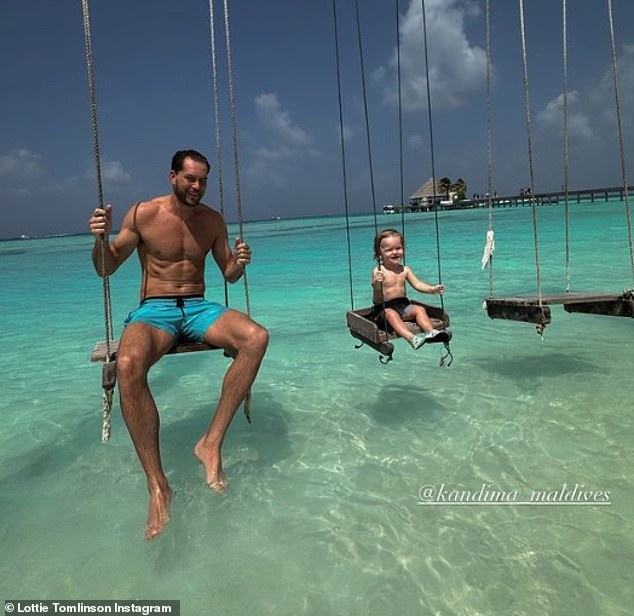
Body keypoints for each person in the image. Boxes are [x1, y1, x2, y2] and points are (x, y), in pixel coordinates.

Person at [88, 149, 269, 540]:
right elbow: (107, 266)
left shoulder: (212, 220)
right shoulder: (143, 214)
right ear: (172, 176)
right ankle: (158, 485)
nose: (197, 187)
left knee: (256, 337)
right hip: (155, 310)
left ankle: (210, 444)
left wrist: (240, 262)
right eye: (190, 179)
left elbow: (229, 275)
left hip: (199, 307)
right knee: (128, 365)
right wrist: (100, 240)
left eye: (203, 180)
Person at [371, 228, 448, 349]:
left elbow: (418, 284)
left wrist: (432, 289)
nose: (395, 252)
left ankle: (431, 332)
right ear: (380, 253)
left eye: (398, 248)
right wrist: (377, 282)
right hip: (383, 309)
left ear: (403, 249)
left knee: (419, 309)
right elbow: (376, 291)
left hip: (402, 306)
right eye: (389, 250)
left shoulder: (405, 270)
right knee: (391, 314)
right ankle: (411, 338)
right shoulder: (379, 271)